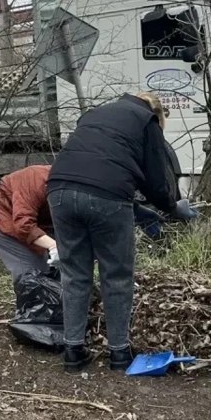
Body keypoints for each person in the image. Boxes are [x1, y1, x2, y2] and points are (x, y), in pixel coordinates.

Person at [46, 92, 198, 372]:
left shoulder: (94, 114)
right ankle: (119, 354)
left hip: (59, 189)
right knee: (116, 275)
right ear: (158, 112)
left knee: (75, 274)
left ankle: (73, 352)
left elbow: (97, 158)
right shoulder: (146, 120)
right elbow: (155, 178)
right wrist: (172, 207)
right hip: (107, 195)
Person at [0, 164, 57, 281]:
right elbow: (24, 224)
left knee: (49, 268)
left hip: (23, 217)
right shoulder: (36, 178)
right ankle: (33, 296)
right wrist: (53, 246)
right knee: (33, 270)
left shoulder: (80, 189)